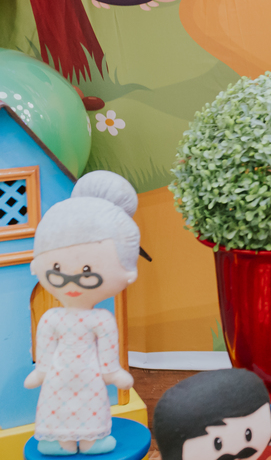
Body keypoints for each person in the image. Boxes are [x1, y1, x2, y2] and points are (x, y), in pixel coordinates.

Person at [25, 171, 140, 456]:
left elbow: (108, 352)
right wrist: (41, 370)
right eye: (58, 270)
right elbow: (46, 347)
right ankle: (59, 441)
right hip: (57, 376)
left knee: (91, 404)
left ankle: (91, 440)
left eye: (87, 271)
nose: (73, 280)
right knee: (56, 404)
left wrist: (112, 373)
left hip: (89, 376)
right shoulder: (52, 318)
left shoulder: (100, 319)